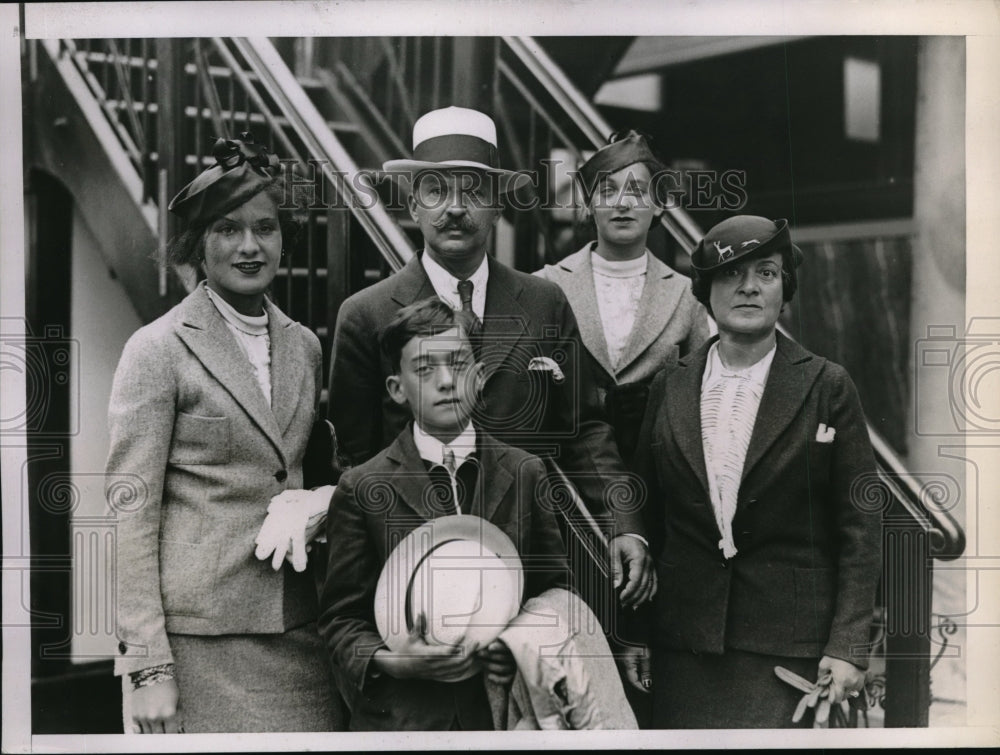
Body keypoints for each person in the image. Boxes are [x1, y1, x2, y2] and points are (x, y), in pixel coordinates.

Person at [328, 106, 654, 611]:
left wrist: (623, 523)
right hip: (416, 566)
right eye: (436, 190)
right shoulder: (366, 315)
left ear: (499, 204)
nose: (455, 209)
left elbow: (585, 428)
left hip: (534, 563)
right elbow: (354, 457)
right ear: (413, 206)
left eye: (474, 191)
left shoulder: (543, 301)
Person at [106, 133, 342, 733]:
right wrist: (147, 666)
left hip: (299, 629)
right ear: (197, 246)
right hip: (197, 641)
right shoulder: (158, 349)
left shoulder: (305, 346)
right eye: (227, 230)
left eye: (265, 228)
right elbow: (129, 514)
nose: (249, 246)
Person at [627, 215, 882, 728]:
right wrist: (632, 633)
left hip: (790, 650)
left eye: (765, 273)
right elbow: (645, 515)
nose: (747, 287)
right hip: (685, 647)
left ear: (785, 287)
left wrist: (850, 645)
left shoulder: (828, 385)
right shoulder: (669, 387)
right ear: (705, 291)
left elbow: (861, 525)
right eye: (729, 275)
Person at [318, 297, 570, 730]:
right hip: (406, 720)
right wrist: (395, 662)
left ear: (480, 374)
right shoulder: (362, 487)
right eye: (424, 369)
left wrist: (516, 647)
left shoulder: (525, 471)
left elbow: (557, 593)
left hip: (502, 716)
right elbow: (341, 621)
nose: (446, 381)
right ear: (397, 389)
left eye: (458, 363)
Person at [535, 130, 710, 463]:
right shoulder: (547, 284)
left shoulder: (686, 295)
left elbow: (699, 398)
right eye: (607, 191)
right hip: (571, 469)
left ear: (659, 206)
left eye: (638, 191)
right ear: (588, 205)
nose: (623, 203)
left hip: (660, 471)